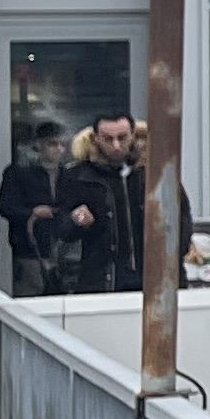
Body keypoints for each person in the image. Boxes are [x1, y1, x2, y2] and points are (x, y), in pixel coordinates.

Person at [53, 118, 142, 296]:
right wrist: (76, 219)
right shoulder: (77, 176)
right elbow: (60, 227)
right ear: (95, 139)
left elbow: (181, 220)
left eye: (122, 137)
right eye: (108, 139)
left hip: (148, 278)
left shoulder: (150, 173)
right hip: (97, 279)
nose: (116, 145)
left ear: (133, 136)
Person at [0, 120, 66, 296]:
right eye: (52, 143)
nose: (59, 149)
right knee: (30, 300)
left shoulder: (68, 174)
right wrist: (32, 213)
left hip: (63, 250)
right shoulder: (18, 172)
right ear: (38, 145)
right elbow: (6, 207)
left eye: (62, 144)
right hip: (28, 250)